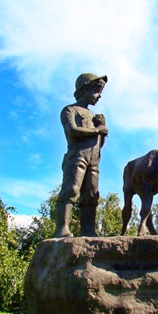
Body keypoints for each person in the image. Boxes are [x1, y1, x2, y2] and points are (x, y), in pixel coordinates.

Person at [54, 73, 109, 238]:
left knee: (92, 194)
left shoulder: (94, 116)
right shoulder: (70, 110)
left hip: (94, 159)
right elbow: (72, 131)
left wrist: (102, 128)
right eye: (97, 90)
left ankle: (88, 230)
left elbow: (99, 143)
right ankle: (62, 228)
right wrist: (97, 130)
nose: (99, 96)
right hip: (77, 156)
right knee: (71, 189)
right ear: (84, 89)